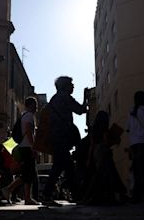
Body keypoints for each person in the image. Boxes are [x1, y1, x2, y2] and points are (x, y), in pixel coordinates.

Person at [42, 76, 87, 206]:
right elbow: (81, 110)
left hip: (56, 137)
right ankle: (47, 195)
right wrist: (86, 98)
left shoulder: (54, 99)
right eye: (71, 84)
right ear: (65, 86)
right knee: (61, 167)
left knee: (66, 167)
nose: (73, 86)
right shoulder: (65, 97)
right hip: (62, 137)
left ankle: (76, 195)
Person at [1, 97, 39, 205]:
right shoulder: (29, 116)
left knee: (28, 173)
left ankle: (26, 197)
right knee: (28, 173)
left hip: (22, 147)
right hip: (26, 147)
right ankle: (9, 189)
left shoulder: (23, 116)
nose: (37, 107)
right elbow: (28, 131)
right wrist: (34, 148)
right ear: (30, 105)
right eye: (35, 104)